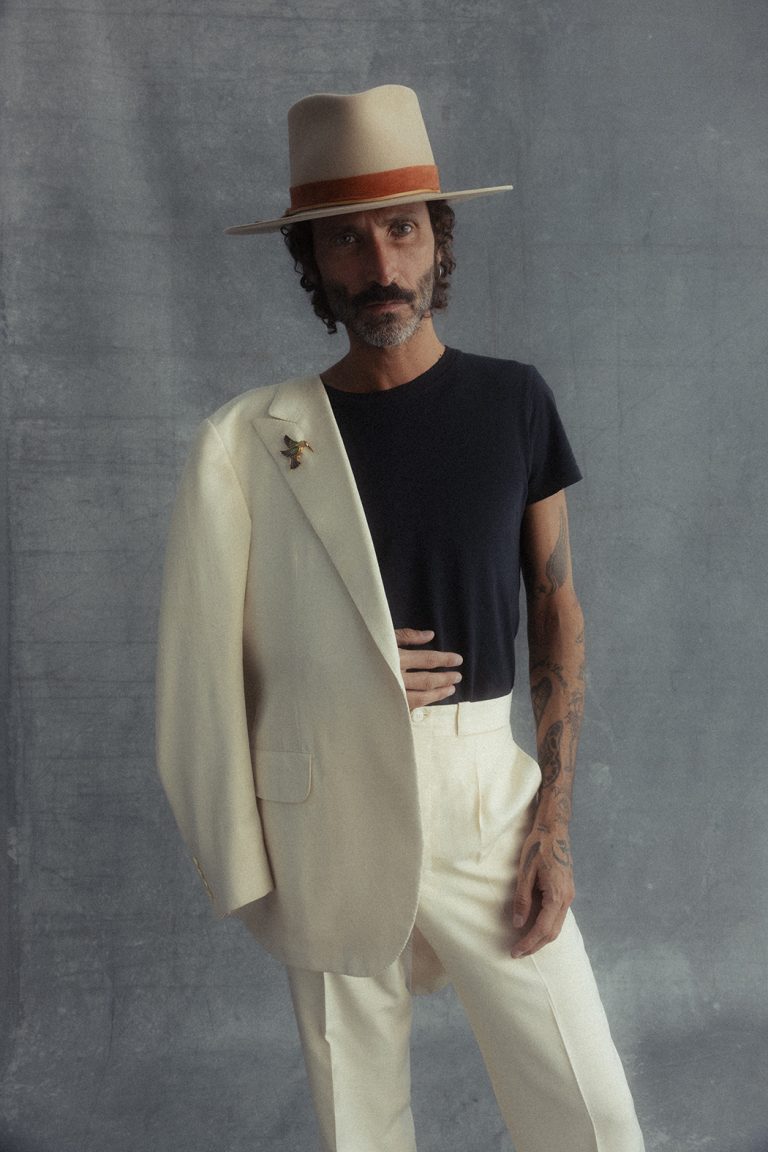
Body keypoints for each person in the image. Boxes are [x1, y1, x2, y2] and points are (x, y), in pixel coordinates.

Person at [156, 84, 644, 1152]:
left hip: (484, 797)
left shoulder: (514, 402)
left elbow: (556, 609)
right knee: (360, 1127)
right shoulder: (248, 442)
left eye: (401, 229)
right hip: (321, 808)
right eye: (346, 238)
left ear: (438, 241)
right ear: (312, 261)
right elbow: (201, 672)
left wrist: (552, 829)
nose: (379, 263)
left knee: (591, 1115)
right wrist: (336, 695)